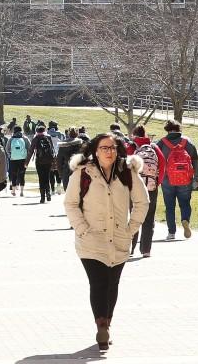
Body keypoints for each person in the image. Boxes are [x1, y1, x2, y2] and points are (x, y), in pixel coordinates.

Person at [64, 133, 148, 351]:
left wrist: (131, 229)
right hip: (91, 241)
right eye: (104, 148)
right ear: (95, 150)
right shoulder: (83, 173)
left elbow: (142, 201)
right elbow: (71, 204)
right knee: (99, 282)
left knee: (113, 284)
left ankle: (107, 322)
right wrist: (82, 229)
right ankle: (102, 325)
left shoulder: (126, 172)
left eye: (112, 147)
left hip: (120, 239)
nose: (109, 152)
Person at [156, 120, 198, 239]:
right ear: (178, 129)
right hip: (185, 179)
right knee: (185, 203)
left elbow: (156, 161)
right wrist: (196, 178)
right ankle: (185, 220)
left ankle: (171, 232)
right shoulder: (187, 142)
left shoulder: (162, 142)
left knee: (169, 206)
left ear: (167, 129)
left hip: (167, 179)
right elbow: (195, 160)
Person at [127, 125, 165, 257]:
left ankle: (130, 248)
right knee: (149, 218)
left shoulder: (131, 147)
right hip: (152, 186)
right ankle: (146, 250)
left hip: (135, 188)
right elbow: (162, 163)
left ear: (134, 135)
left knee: (134, 216)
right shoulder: (154, 147)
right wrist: (157, 182)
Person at [28, 123, 56, 203]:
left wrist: (26, 162)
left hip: (39, 161)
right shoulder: (48, 137)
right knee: (47, 177)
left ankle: (42, 197)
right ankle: (48, 194)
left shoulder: (36, 138)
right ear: (45, 130)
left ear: (37, 131)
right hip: (48, 161)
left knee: (41, 178)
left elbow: (30, 151)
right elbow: (52, 149)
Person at [57, 127, 86, 192]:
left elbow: (59, 161)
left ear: (68, 134)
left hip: (67, 172)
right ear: (77, 134)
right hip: (80, 171)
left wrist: (61, 174)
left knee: (68, 194)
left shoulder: (62, 146)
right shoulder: (81, 144)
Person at [5, 124, 30, 196]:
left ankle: (13, 191)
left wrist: (10, 156)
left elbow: (7, 149)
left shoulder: (11, 139)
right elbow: (29, 148)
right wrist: (26, 157)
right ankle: (22, 192)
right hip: (23, 159)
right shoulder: (25, 138)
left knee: (13, 174)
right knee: (22, 175)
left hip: (13, 159)